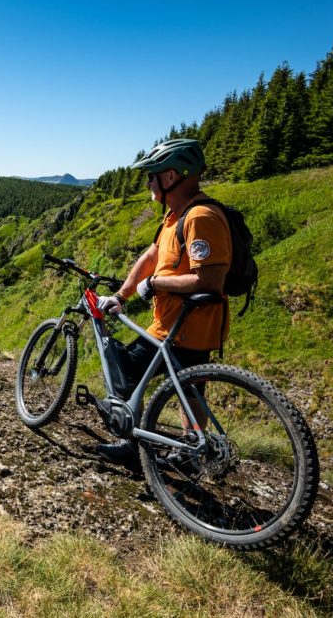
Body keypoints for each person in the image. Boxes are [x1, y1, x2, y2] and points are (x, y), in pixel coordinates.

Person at [95, 139, 231, 464]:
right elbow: (151, 256)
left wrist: (154, 283)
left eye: (151, 175)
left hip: (183, 329)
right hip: (182, 326)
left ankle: (131, 447)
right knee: (189, 390)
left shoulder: (201, 217)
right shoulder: (174, 217)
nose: (148, 183)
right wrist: (121, 295)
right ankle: (193, 449)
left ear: (170, 176)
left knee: (122, 368)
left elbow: (210, 279)